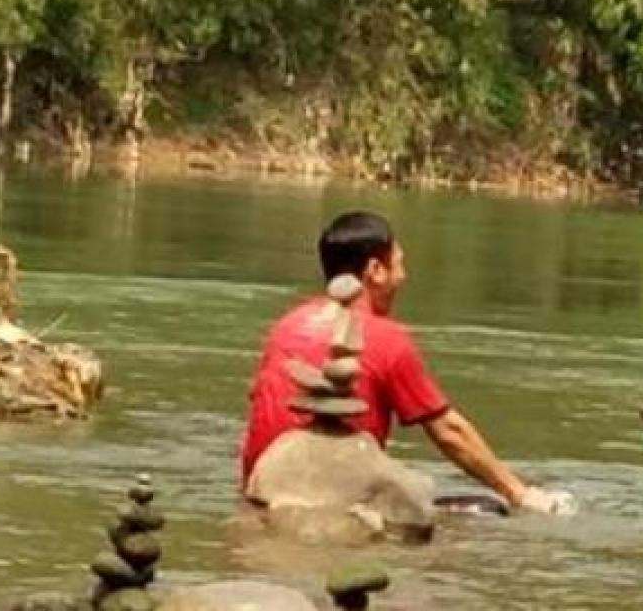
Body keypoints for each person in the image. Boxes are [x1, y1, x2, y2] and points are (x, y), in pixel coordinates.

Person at [240, 210, 570, 514]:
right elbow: (449, 432)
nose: (404, 275)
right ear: (375, 271)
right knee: (488, 509)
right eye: (399, 264)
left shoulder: (286, 326)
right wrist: (521, 494)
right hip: (336, 505)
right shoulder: (386, 338)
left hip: (262, 496)